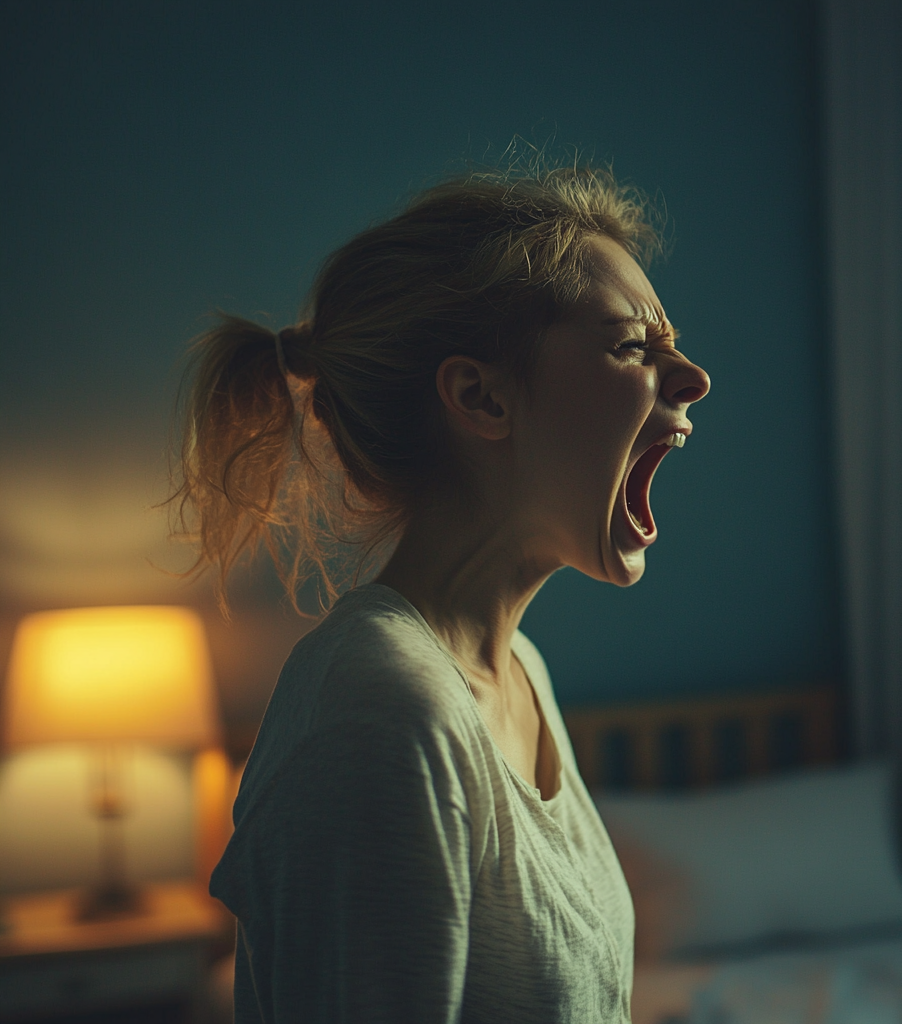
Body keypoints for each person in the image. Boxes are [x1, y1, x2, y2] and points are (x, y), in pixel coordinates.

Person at [175, 162, 710, 1023]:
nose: (693, 378)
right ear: (480, 396)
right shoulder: (379, 708)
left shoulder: (519, 670)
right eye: (633, 346)